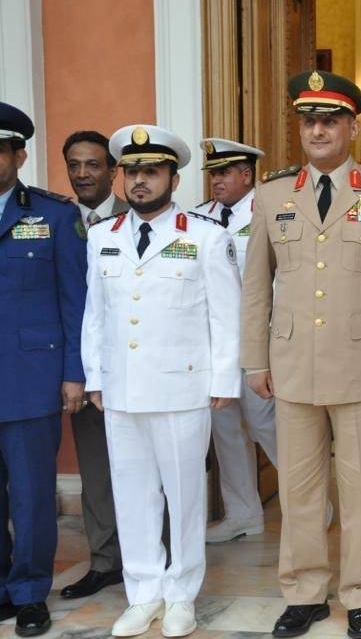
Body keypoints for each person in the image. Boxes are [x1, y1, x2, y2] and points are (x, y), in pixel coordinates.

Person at [240, 70, 361, 639]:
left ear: (351, 126)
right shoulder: (273, 195)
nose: (317, 130)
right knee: (298, 490)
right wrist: (254, 359)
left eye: (329, 120)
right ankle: (303, 592)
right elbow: (255, 285)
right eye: (308, 121)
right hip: (293, 366)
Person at [82, 124, 241, 638]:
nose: (140, 181)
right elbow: (96, 316)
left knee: (185, 495)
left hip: (181, 389)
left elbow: (226, 314)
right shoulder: (102, 238)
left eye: (151, 171)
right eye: (132, 172)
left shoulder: (205, 236)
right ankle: (143, 591)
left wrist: (223, 381)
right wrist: (94, 378)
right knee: (133, 496)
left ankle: (181, 595)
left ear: (174, 176)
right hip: (122, 389)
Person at [0, 102, 87, 637]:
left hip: (31, 379)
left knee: (32, 495)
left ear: (18, 155)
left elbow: (76, 301)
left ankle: (30, 592)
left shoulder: (54, 216)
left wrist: (74, 373)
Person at [190, 138, 279, 544]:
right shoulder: (199, 219)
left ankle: (308, 507)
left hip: (260, 341)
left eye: (224, 173)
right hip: (213, 344)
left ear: (247, 175)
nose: (216, 181)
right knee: (225, 429)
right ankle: (243, 514)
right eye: (212, 174)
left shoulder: (272, 213)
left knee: (268, 425)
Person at [59, 130, 127, 601]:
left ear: (112, 171)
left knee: (151, 470)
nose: (83, 174)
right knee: (97, 473)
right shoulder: (58, 221)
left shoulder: (142, 214)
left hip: (140, 366)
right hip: (87, 368)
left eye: (93, 165)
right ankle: (105, 562)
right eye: (75, 165)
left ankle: (156, 556)